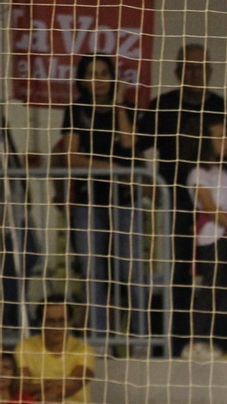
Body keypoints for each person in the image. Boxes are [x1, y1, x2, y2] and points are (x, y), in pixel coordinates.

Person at [136, 43, 227, 356]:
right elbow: (136, 146)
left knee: (218, 277)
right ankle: (178, 343)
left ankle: (216, 342)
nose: (195, 73)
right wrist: (146, 181)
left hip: (216, 210)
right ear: (177, 71)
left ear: (210, 72)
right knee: (180, 274)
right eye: (189, 67)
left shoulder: (226, 109)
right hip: (177, 206)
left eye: (201, 67)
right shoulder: (162, 107)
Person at [55, 53, 145, 339]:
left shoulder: (126, 108)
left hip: (125, 199)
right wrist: (109, 168)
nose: (99, 80)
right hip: (89, 200)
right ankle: (100, 339)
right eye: (92, 74)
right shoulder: (76, 110)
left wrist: (119, 105)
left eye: (104, 73)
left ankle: (141, 339)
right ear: (82, 80)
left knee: (131, 272)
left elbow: (130, 144)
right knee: (94, 273)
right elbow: (71, 156)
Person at [15, 294, 111, 404]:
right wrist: (51, 386)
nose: (56, 327)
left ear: (71, 322)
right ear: (40, 323)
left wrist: (40, 388)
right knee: (50, 403)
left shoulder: (83, 350)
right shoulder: (25, 347)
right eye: (50, 321)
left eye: (61, 321)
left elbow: (72, 386)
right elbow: (20, 386)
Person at [185, 118, 227, 354]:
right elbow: (208, 206)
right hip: (214, 234)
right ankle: (199, 338)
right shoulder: (198, 173)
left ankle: (219, 340)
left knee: (223, 288)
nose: (226, 141)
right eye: (220, 136)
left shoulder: (224, 173)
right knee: (210, 287)